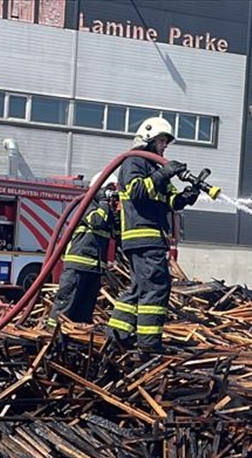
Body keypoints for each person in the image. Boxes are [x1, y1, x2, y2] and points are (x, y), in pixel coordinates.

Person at [105, 117, 201, 353]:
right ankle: (148, 344)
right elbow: (137, 191)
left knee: (139, 288)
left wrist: (188, 196)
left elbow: (170, 200)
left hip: (149, 238)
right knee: (156, 287)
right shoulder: (134, 162)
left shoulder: (154, 169)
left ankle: (118, 335)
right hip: (143, 236)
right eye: (161, 140)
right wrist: (165, 173)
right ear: (148, 138)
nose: (165, 146)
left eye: (166, 142)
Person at [48, 172, 118, 327]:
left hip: (95, 268)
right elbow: (96, 221)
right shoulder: (87, 204)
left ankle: (75, 339)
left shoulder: (106, 210)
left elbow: (116, 233)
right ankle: (52, 336)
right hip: (78, 266)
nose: (113, 194)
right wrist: (104, 202)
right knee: (66, 304)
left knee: (84, 310)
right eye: (111, 189)